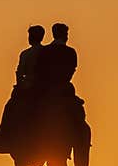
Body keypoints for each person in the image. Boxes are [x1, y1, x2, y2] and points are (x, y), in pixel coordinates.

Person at [34, 23, 86, 151]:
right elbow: (72, 69)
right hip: (64, 89)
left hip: (45, 89)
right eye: (66, 34)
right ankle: (82, 141)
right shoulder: (70, 52)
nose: (67, 36)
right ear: (64, 35)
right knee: (80, 117)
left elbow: (39, 70)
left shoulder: (44, 51)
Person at [0, 25, 45, 141]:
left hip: (28, 87)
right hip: (44, 86)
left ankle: (3, 133)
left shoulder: (26, 54)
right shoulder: (46, 51)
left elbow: (20, 72)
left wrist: (20, 85)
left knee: (10, 106)